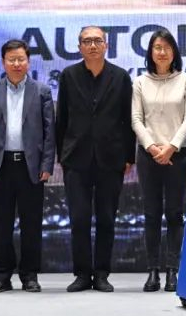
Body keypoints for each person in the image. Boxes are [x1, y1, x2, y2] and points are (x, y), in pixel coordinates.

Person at [56, 25, 135, 292]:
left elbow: (128, 119)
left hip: (110, 159)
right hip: (76, 159)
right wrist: (62, 155)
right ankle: (82, 273)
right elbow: (61, 118)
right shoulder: (68, 76)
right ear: (79, 46)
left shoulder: (120, 77)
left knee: (106, 219)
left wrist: (129, 156)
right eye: (87, 41)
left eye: (97, 41)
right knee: (78, 219)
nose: (92, 45)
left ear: (106, 45)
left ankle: (101, 274)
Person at [0, 38, 56, 293]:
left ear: (28, 62)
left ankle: (30, 275)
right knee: (2, 223)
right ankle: (2, 275)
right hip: (1, 165)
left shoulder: (42, 91)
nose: (17, 64)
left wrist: (47, 164)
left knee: (32, 224)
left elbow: (49, 133)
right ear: (3, 62)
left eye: (21, 59)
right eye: (12, 60)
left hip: (30, 166)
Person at [132, 29, 186, 293]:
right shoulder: (139, 82)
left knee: (174, 214)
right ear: (150, 52)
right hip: (148, 156)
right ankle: (152, 271)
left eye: (167, 47)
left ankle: (172, 270)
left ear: (174, 52)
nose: (162, 52)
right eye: (157, 47)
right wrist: (151, 146)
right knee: (151, 214)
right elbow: (136, 119)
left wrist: (171, 147)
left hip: (177, 156)